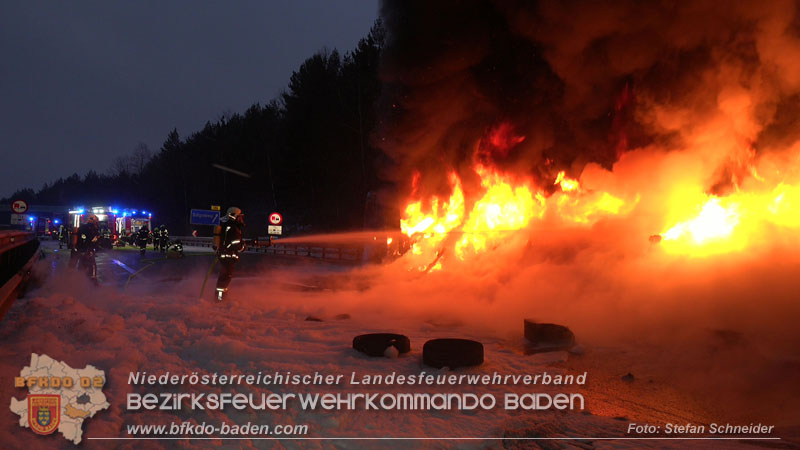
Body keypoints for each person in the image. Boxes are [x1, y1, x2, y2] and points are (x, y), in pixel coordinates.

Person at [212, 207, 246, 301]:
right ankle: (219, 299)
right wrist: (242, 246)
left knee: (225, 278)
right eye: (239, 216)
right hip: (228, 256)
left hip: (226, 255)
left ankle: (222, 297)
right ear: (234, 215)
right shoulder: (232, 226)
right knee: (224, 278)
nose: (241, 219)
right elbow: (235, 243)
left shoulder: (228, 225)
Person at [71, 214, 100, 283]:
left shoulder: (81, 227)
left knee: (80, 266)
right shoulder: (91, 228)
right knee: (91, 267)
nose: (96, 222)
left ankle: (78, 281)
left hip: (79, 250)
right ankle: (89, 283)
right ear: (92, 220)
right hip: (87, 250)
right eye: (96, 221)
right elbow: (93, 239)